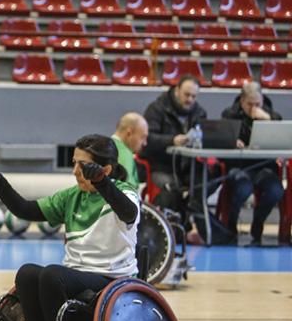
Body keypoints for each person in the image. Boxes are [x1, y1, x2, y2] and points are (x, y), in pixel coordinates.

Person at [0, 134, 140, 321]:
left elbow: (129, 213)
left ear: (105, 169)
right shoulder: (72, 196)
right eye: (74, 163)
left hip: (111, 280)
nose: (75, 171)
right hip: (75, 277)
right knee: (27, 274)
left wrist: (103, 183)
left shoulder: (125, 193)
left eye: (82, 166)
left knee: (52, 275)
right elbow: (24, 209)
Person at [220, 81, 284, 245]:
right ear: (242, 101)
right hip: (238, 166)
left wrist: (267, 121)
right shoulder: (229, 115)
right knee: (243, 189)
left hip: (264, 167)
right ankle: (231, 225)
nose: (254, 108)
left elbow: (281, 142)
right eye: (250, 104)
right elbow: (222, 141)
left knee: (276, 191)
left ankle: (258, 222)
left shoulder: (273, 116)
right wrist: (232, 142)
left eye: (258, 104)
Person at [141, 75, 206, 211]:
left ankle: (193, 219)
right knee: (173, 190)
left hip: (188, 168)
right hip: (161, 166)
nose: (190, 100)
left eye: (194, 96)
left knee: (204, 185)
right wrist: (172, 140)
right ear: (177, 91)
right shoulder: (156, 109)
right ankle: (170, 221)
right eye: (186, 95)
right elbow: (148, 139)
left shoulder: (199, 113)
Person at [112, 112, 149, 188]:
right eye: (142, 137)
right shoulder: (124, 155)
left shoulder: (106, 147)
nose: (145, 143)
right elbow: (128, 189)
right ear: (129, 133)